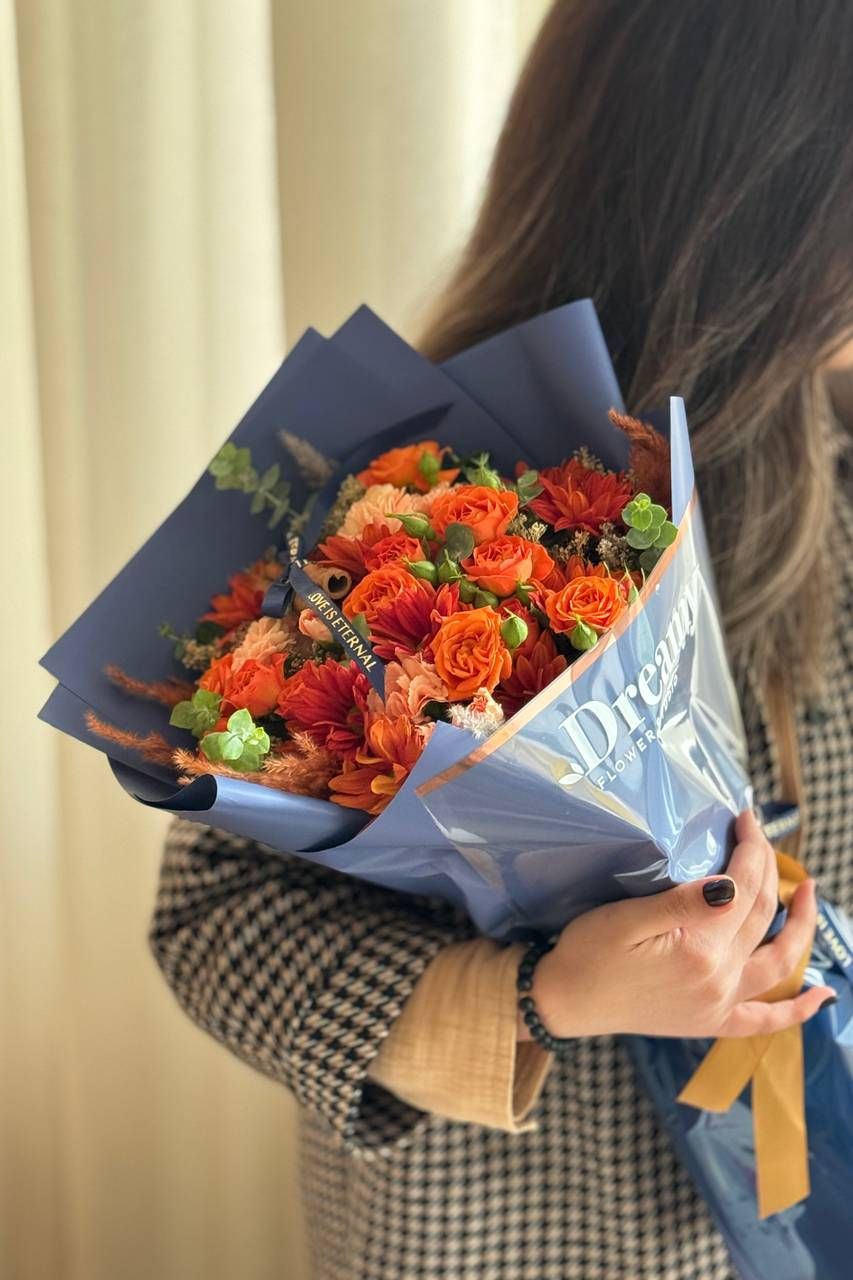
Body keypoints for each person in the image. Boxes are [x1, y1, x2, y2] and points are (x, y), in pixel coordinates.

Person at [149, 3, 853, 1276]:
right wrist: (545, 994)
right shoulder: (405, 506)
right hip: (512, 1228)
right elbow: (217, 927)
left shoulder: (829, 435)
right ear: (764, 202)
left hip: (803, 1198)